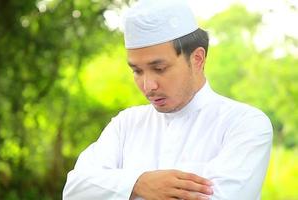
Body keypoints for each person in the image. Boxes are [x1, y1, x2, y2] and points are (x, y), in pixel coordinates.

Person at [62, 0, 273, 199]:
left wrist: (115, 189)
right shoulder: (126, 124)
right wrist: (139, 183)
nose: (148, 85)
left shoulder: (244, 123)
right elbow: (75, 188)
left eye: (159, 69)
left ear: (197, 59)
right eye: (137, 71)